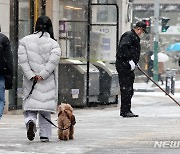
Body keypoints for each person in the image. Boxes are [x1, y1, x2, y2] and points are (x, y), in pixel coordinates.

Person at [18, 15, 61, 142]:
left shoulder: (25, 41)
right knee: (44, 111)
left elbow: (23, 61)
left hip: (31, 81)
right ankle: (45, 135)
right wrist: (43, 74)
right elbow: (53, 62)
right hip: (46, 81)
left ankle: (30, 121)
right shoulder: (54, 44)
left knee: (30, 108)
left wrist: (31, 75)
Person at [116, 21, 148, 118]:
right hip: (124, 65)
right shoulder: (129, 36)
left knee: (129, 89)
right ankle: (125, 111)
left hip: (128, 65)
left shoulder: (132, 36)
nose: (141, 33)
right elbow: (123, 48)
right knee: (126, 88)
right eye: (141, 31)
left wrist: (134, 61)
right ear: (138, 29)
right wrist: (129, 59)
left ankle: (126, 110)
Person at [0, 26, 13, 120]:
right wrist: (9, 76)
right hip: (1, 74)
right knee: (0, 100)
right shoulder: (3, 39)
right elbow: (8, 60)